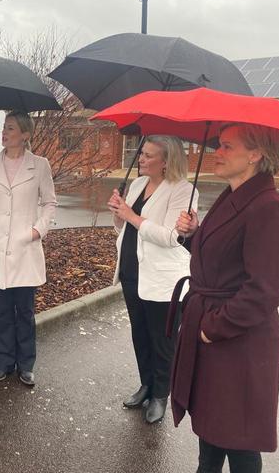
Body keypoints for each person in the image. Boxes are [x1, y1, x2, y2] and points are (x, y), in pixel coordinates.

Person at [172, 123, 279, 472]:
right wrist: (193, 236)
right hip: (218, 336)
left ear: (255, 154)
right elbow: (222, 260)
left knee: (239, 443)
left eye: (227, 146)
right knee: (212, 435)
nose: (217, 153)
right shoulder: (234, 195)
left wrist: (213, 328)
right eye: (218, 145)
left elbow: (265, 290)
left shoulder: (269, 207)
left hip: (239, 344)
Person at [108, 135, 197, 424]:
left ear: (166, 162)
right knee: (140, 333)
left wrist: (131, 215)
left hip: (163, 280)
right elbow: (124, 229)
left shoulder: (183, 191)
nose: (141, 158)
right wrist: (117, 214)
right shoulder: (137, 184)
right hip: (132, 272)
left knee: (163, 338)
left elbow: (172, 238)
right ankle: (146, 384)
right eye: (141, 153)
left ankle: (160, 394)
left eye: (148, 155)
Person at [0, 111, 57, 387]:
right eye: (4, 128)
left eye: (11, 129)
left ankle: (26, 364)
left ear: (25, 135)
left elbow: (50, 202)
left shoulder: (40, 165)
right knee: (3, 312)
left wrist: (38, 230)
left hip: (24, 247)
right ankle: (3, 362)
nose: (4, 133)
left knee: (25, 312)